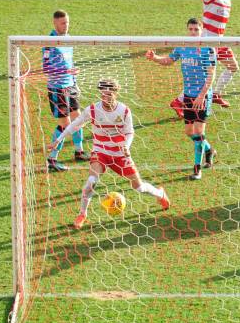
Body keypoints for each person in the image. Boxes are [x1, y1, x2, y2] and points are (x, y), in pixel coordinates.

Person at [48, 78, 170, 230]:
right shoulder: (92, 110)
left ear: (115, 93)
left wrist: (126, 146)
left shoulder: (124, 110)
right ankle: (82, 214)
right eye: (103, 94)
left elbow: (130, 132)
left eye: (109, 95)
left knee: (138, 187)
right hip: (100, 152)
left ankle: (160, 194)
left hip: (120, 153)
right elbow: (74, 125)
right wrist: (58, 140)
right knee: (90, 183)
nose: (105, 98)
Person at [147, 18, 217, 180]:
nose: (193, 32)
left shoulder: (208, 49)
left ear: (202, 29)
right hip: (188, 95)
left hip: (202, 96)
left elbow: (211, 74)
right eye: (190, 29)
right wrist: (155, 58)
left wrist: (202, 95)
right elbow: (169, 60)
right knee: (189, 132)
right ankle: (209, 149)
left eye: (196, 30)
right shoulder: (183, 46)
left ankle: (197, 169)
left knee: (199, 132)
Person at [169, 0, 238, 117]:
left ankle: (216, 94)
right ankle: (178, 101)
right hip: (207, 41)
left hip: (219, 40)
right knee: (204, 75)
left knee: (233, 67)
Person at [43, 9, 90, 172]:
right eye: (63, 23)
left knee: (79, 118)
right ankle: (52, 159)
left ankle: (79, 151)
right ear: (55, 23)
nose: (66, 25)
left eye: (68, 22)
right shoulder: (49, 42)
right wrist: (66, 73)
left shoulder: (69, 39)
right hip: (57, 89)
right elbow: (46, 68)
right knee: (65, 124)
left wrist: (73, 78)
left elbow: (68, 63)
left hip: (70, 86)